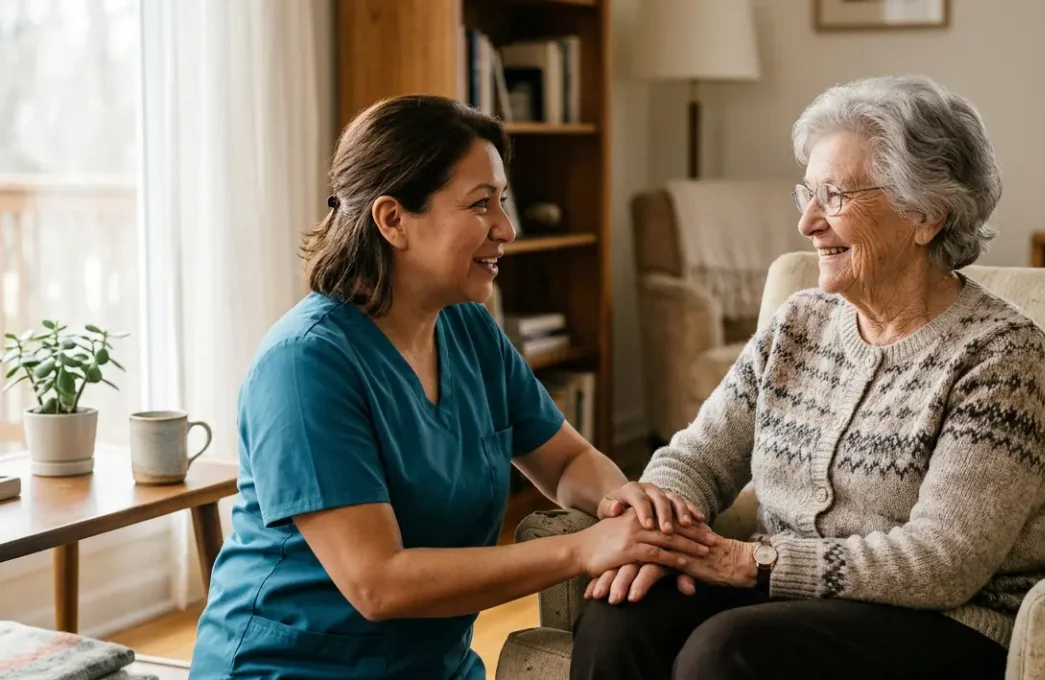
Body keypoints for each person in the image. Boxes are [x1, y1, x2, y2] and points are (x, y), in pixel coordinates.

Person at [188, 95, 713, 680]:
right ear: (392, 220)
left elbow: (564, 461)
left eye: (503, 203)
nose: (507, 229)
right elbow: (377, 582)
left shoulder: (467, 329)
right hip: (291, 669)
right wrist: (583, 548)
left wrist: (625, 503)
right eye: (480, 205)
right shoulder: (304, 365)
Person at [570, 75, 1045, 680]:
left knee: (728, 651)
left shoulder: (999, 355)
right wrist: (652, 534)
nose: (807, 222)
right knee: (620, 610)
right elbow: (698, 458)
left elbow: (943, 561)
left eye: (835, 196)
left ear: (927, 215)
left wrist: (755, 562)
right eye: (807, 192)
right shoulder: (800, 323)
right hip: (786, 598)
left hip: (950, 622)